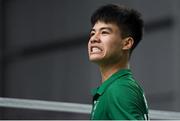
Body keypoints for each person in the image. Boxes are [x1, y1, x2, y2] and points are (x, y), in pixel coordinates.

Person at [88, 4, 149, 120]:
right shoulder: (113, 88)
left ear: (126, 43)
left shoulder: (120, 89)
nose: (94, 38)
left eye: (104, 32)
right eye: (92, 33)